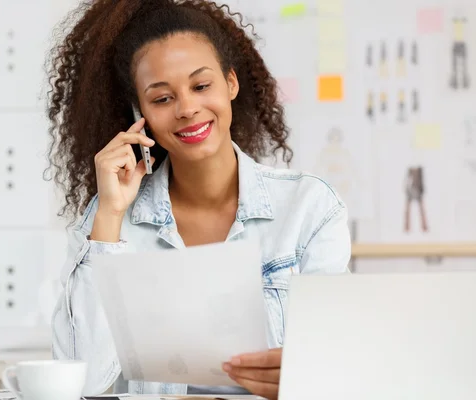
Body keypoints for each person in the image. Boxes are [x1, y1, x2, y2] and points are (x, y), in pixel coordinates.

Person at [46, 0, 351, 399]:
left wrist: (304, 377)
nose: (187, 109)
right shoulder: (112, 218)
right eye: (162, 99)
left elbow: (337, 371)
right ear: (141, 114)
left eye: (201, 86)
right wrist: (110, 216)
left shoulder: (309, 208)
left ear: (231, 83)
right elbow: (81, 380)